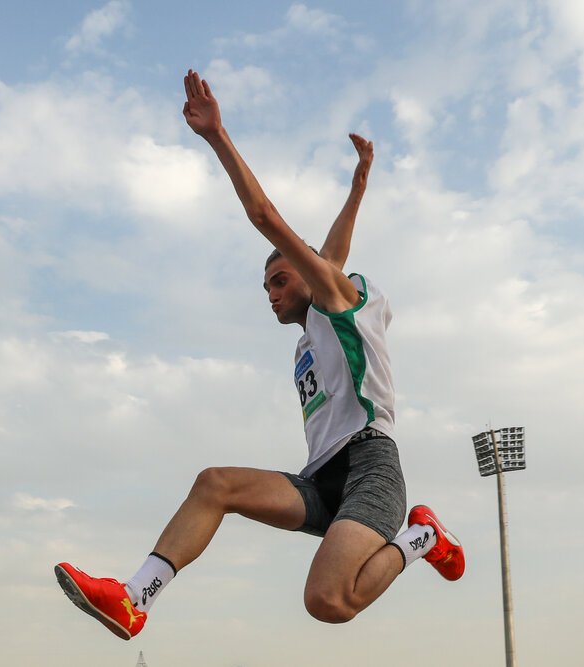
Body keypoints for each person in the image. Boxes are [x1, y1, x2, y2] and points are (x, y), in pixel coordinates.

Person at [54, 69, 464, 641]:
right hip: (322, 480)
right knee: (214, 483)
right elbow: (332, 248)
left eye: (277, 280)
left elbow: (268, 219)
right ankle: (134, 598)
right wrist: (359, 187)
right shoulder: (311, 332)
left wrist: (217, 136)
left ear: (312, 274)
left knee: (327, 601)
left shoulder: (343, 302)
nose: (270, 294)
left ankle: (421, 538)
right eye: (265, 287)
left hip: (372, 468)